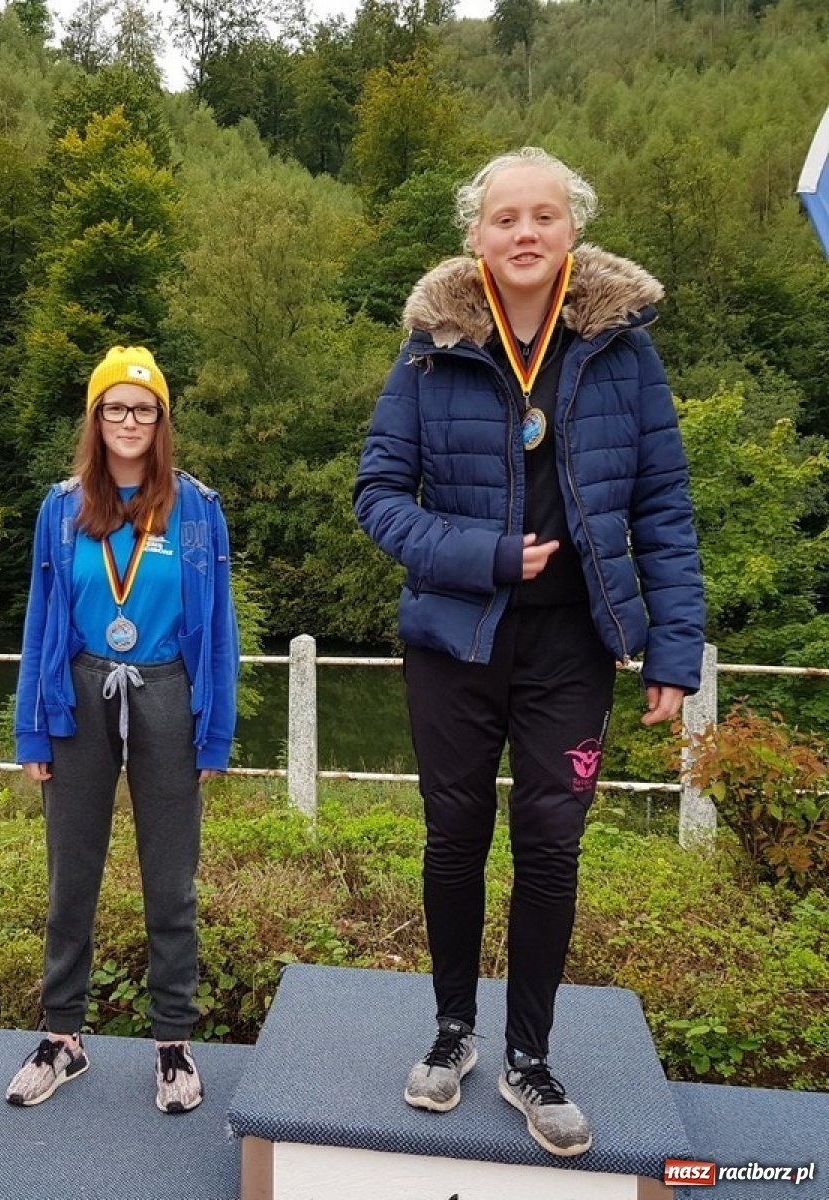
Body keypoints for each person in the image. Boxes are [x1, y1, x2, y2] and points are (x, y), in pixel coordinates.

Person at [353, 147, 704, 1158]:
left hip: (574, 646)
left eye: (544, 216)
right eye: (506, 217)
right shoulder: (428, 350)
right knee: (454, 838)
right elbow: (376, 498)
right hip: (455, 640)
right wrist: (486, 557)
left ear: (571, 232)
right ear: (476, 234)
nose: (525, 234)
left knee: (551, 848)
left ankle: (530, 1059)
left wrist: (673, 649)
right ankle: (453, 1032)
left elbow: (665, 509)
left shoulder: (623, 352)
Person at [6, 346, 238, 1115]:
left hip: (168, 693)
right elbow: (42, 621)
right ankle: (63, 1035)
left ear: (161, 420)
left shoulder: (197, 508)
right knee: (70, 878)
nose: (128, 421)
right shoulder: (60, 506)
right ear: (96, 418)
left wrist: (216, 732)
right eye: (115, 407)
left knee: (170, 883)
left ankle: (173, 1040)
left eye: (143, 408)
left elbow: (220, 630)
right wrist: (32, 730)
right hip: (77, 693)